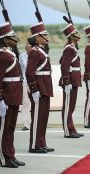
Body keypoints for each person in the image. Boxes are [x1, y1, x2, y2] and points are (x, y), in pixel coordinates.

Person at [0, 22, 25, 168]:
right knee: (3, 128)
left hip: (14, 95)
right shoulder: (2, 55)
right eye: (11, 37)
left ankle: (11, 155)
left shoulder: (10, 53)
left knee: (11, 127)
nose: (15, 38)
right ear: (5, 39)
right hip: (7, 96)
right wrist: (0, 99)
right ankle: (4, 157)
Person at [26, 22, 54, 153]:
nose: (47, 37)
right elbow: (29, 72)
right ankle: (34, 145)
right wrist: (34, 89)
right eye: (44, 35)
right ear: (38, 37)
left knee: (44, 117)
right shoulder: (35, 52)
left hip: (45, 87)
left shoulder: (41, 50)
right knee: (37, 118)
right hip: (39, 88)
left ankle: (41, 143)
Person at [59, 23, 84, 138]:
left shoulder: (72, 47)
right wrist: (67, 82)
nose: (78, 35)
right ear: (70, 36)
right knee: (68, 106)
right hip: (70, 81)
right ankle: (68, 131)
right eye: (75, 34)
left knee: (72, 106)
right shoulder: (69, 49)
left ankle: (71, 128)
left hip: (74, 80)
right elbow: (64, 66)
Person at [19, 38, 34, 131]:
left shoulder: (37, 54)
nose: (25, 46)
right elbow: (20, 69)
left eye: (27, 44)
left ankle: (35, 121)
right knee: (25, 103)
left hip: (35, 81)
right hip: (25, 82)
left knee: (36, 102)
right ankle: (26, 123)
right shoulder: (22, 55)